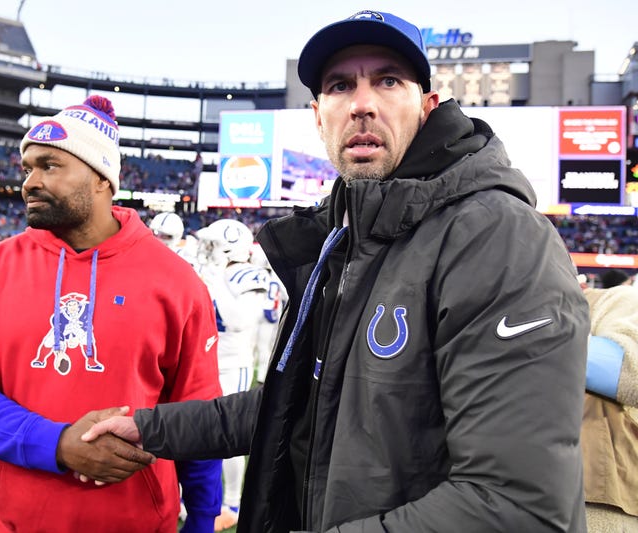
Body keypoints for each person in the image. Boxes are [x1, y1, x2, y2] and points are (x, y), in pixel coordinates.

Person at [82, 10, 590, 532]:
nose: (363, 104)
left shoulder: (498, 237)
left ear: (428, 105)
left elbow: (516, 506)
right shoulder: (346, 239)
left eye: (388, 80)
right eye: (340, 86)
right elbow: (301, 402)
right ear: (318, 116)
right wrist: (149, 427)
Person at [0, 95, 223, 533]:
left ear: (102, 177)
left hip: (140, 524)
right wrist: (58, 444)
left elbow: (199, 416)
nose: (29, 182)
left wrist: (202, 517)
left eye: (49, 166)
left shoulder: (177, 281)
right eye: (27, 168)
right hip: (19, 523)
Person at [196, 219, 270, 530]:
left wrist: (214, 277)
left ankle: (232, 503)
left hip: (233, 365)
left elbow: (238, 320)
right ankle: (203, 498)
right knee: (198, 434)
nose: (206, 250)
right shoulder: (206, 270)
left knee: (227, 438)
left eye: (212, 245)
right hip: (203, 362)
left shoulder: (248, 275)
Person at [581, 284, 638, 531]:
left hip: (600, 501)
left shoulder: (614, 300)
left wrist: (532, 334)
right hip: (510, 493)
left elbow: (631, 372)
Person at [249, 242, 287, 384]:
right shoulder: (277, 276)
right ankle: (262, 375)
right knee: (266, 346)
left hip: (259, 312)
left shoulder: (255, 274)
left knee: (255, 345)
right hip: (271, 313)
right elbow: (286, 296)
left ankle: (257, 371)